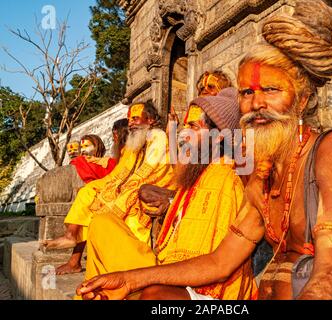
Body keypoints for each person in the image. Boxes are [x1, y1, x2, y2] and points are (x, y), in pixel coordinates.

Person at [76, 0, 332, 300]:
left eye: (271, 90)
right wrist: (130, 280)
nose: (256, 103)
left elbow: (331, 276)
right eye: (247, 92)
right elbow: (220, 262)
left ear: (301, 99)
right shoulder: (265, 173)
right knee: (157, 297)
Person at [77, 88, 258, 300]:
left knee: (156, 295)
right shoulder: (196, 171)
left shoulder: (224, 178)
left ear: (218, 137)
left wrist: (134, 278)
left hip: (196, 285)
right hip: (165, 267)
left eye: (193, 127)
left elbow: (211, 267)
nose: (184, 135)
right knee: (101, 224)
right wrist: (170, 201)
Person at [42, 102, 174, 275]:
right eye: (129, 119)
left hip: (156, 186)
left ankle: (131, 266)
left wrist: (119, 188)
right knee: (88, 191)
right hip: (133, 183)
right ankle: (71, 236)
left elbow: (151, 170)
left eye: (135, 118)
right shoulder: (135, 143)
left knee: (116, 206)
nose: (131, 123)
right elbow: (118, 173)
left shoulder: (158, 136)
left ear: (149, 120)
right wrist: (109, 187)